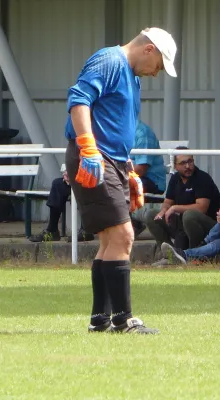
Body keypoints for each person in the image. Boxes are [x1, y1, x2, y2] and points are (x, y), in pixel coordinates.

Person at [64, 27, 177, 334]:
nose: (157, 74)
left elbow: (114, 122)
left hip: (110, 160)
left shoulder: (131, 75)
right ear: (149, 49)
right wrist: (88, 148)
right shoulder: (110, 61)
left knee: (110, 241)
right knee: (125, 236)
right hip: (95, 157)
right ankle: (123, 319)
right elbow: (79, 101)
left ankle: (100, 319)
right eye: (159, 66)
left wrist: (126, 169)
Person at [145, 147, 220, 265]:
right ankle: (169, 256)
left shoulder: (202, 178)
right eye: (183, 163)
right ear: (175, 166)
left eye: (190, 161)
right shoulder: (175, 178)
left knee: (189, 215)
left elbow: (202, 208)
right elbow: (167, 202)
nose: (188, 166)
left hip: (209, 227)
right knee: (151, 215)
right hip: (183, 225)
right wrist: (164, 211)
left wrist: (174, 208)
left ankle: (195, 256)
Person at [29, 168, 94, 243]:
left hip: (96, 179)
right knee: (58, 184)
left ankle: (86, 231)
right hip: (78, 177)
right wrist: (68, 174)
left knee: (82, 185)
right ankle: (52, 231)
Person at [131, 119, 166, 238]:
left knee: (118, 185)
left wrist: (115, 175)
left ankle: (133, 223)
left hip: (151, 180)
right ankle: (87, 229)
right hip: (128, 176)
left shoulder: (142, 133)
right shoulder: (117, 131)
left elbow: (141, 169)